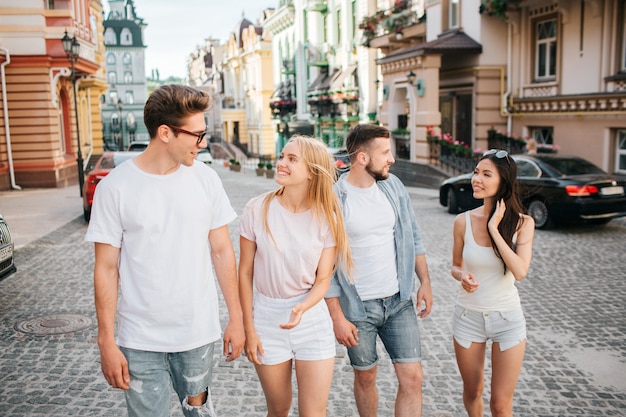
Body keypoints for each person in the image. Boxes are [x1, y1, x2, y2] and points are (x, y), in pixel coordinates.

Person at [85, 84, 245, 417]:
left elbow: (222, 252)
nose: (203, 144)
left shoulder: (206, 180)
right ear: (165, 133)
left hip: (197, 332)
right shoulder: (115, 188)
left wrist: (237, 317)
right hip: (140, 339)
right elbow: (106, 268)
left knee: (198, 413)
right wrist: (106, 341)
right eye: (197, 135)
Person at [238, 135, 352, 417]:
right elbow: (244, 272)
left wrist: (303, 306)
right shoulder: (257, 208)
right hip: (267, 318)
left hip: (311, 319)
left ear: (312, 171)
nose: (281, 164)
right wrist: (248, 328)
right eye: (282, 157)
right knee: (278, 410)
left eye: (291, 159)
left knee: (313, 413)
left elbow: (324, 279)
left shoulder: (328, 216)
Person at [324, 124, 434, 417]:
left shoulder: (393, 186)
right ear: (362, 157)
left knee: (413, 378)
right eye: (385, 152)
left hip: (399, 302)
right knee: (366, 376)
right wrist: (337, 317)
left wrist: (425, 281)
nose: (391, 159)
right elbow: (326, 265)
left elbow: (412, 234)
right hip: (358, 310)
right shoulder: (334, 197)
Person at [450, 149, 535, 417]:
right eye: (476, 172)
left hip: (507, 320)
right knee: (473, 392)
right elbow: (455, 265)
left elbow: (520, 271)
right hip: (468, 317)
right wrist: (461, 275)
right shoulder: (462, 221)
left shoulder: (524, 223)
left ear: (504, 182)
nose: (477, 179)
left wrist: (495, 230)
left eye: (486, 174)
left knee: (500, 404)